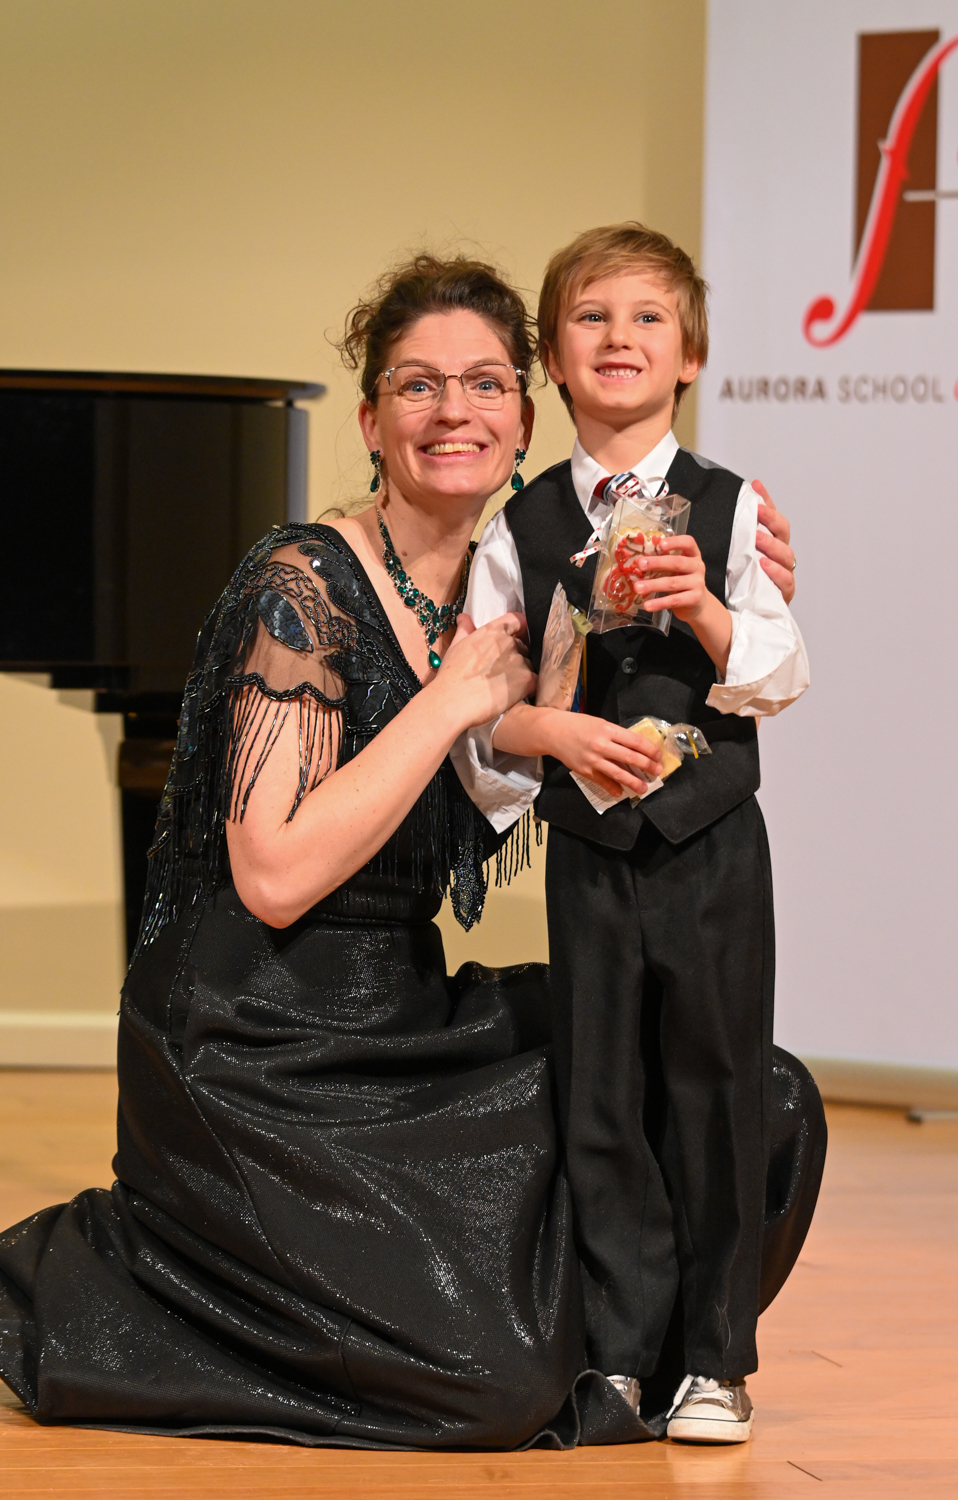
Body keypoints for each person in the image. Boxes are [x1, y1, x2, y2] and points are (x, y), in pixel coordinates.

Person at [0, 250, 821, 1453]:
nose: (453, 411)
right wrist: (446, 703)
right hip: (257, 1045)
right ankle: (95, 1272)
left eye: (485, 383)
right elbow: (272, 874)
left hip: (406, 1015)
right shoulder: (303, 586)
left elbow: (675, 695)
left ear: (526, 418)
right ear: (372, 418)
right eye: (418, 385)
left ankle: (657, 1360)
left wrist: (733, 576)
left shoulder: (529, 590)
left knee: (758, 1094)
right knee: (492, 1385)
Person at [456, 224, 811, 1443]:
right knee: (599, 1094)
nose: (620, 338)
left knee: (715, 1088)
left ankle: (714, 1360)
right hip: (593, 856)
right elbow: (485, 707)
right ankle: (614, 1356)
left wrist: (704, 609)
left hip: (713, 847)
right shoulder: (519, 527)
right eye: (592, 318)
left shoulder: (736, 507)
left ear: (690, 354)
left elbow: (781, 673)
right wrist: (548, 737)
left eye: (648, 317)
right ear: (553, 359)